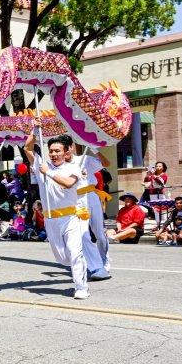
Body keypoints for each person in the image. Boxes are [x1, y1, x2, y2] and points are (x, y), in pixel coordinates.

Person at [25, 122, 91, 299]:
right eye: (51, 151)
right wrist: (34, 130)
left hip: (70, 218)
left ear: (66, 152)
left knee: (75, 253)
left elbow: (68, 183)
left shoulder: (73, 168)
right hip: (51, 220)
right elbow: (27, 148)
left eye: (57, 151)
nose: (54, 154)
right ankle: (80, 269)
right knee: (63, 258)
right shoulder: (42, 166)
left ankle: (81, 287)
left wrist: (49, 172)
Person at [67, 145, 111, 280]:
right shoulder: (60, 166)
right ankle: (95, 266)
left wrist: (94, 148)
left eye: (66, 148)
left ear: (72, 147)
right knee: (82, 234)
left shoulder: (85, 159)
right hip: (76, 200)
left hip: (92, 197)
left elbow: (106, 164)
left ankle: (104, 261)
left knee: (100, 235)